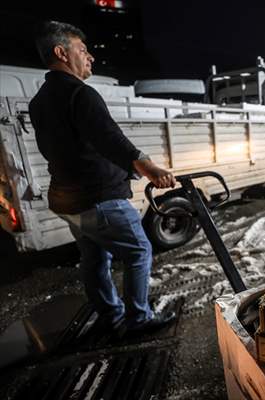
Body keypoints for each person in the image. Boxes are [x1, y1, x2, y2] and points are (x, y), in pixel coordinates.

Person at [29, 21, 177, 335]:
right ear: (61, 53)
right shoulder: (79, 93)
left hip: (67, 199)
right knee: (139, 251)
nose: (91, 57)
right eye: (82, 50)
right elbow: (111, 139)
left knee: (94, 257)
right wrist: (150, 168)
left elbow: (61, 149)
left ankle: (112, 316)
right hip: (98, 200)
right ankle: (138, 318)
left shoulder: (39, 100)